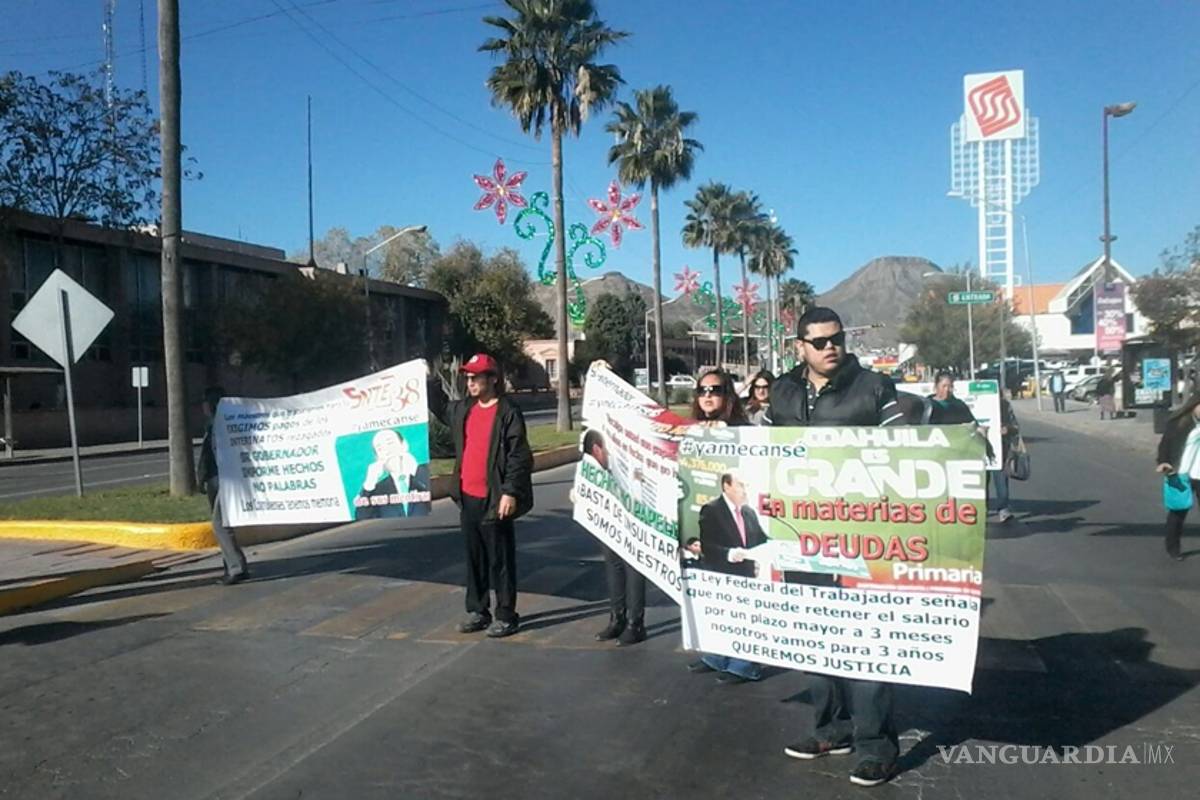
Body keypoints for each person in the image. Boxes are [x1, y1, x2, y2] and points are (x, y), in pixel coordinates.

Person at [768, 306, 902, 788]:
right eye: (819, 341)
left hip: (863, 542)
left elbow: (909, 453)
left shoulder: (874, 389)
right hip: (800, 541)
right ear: (799, 346)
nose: (830, 348)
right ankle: (831, 730)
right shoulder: (782, 392)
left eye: (837, 339)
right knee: (817, 642)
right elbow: (756, 452)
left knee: (865, 646)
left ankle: (876, 746)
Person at [434, 353, 534, 638]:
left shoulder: (507, 412)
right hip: (467, 497)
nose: (470, 382)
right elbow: (440, 406)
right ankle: (478, 610)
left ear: (492, 379)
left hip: (495, 498)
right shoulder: (464, 408)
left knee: (500, 560)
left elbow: (519, 456)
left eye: (476, 377)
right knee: (474, 557)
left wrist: (510, 492)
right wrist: (424, 377)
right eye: (468, 378)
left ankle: (506, 615)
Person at [682, 369, 761, 684]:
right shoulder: (691, 431)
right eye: (702, 390)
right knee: (713, 596)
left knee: (741, 599)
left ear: (727, 394)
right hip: (707, 523)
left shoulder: (744, 430)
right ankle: (715, 655)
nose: (707, 396)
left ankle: (745, 663)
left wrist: (724, 432)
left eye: (715, 390)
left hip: (740, 525)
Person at [585, 429, 647, 646]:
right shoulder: (596, 450)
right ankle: (617, 618)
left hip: (634, 514)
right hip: (610, 517)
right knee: (613, 565)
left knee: (633, 566)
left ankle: (635, 623)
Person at [197, 386, 249, 585]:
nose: (202, 407)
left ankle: (236, 568)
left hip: (224, 481)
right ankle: (232, 565)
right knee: (223, 524)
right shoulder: (213, 425)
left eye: (204, 402)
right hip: (214, 480)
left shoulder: (221, 427)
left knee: (219, 524)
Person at [1155, 395, 1200, 561]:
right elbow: (1165, 446)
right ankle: (1173, 548)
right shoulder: (1178, 423)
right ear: (1194, 405)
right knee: (1178, 513)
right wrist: (1164, 462)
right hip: (1181, 474)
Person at [355, 429, 430, 519]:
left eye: (390, 443)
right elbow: (362, 518)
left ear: (404, 445)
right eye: (380, 449)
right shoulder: (377, 490)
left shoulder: (425, 472)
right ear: (377, 458)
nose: (387, 451)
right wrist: (369, 484)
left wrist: (416, 470)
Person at [991, 396, 1019, 523]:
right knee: (978, 483)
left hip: (999, 450)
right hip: (977, 451)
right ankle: (979, 510)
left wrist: (1007, 429)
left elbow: (1015, 426)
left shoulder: (1004, 405)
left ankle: (1003, 509)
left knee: (1001, 481)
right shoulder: (971, 403)